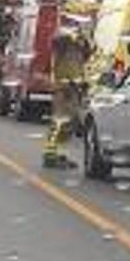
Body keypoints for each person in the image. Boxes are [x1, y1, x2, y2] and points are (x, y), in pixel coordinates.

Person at [43, 26, 93, 169]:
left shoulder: (80, 48)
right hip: (63, 89)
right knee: (60, 121)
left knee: (70, 124)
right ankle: (50, 155)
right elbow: (56, 40)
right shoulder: (62, 45)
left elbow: (89, 53)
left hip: (75, 88)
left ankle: (59, 154)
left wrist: (85, 39)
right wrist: (72, 34)